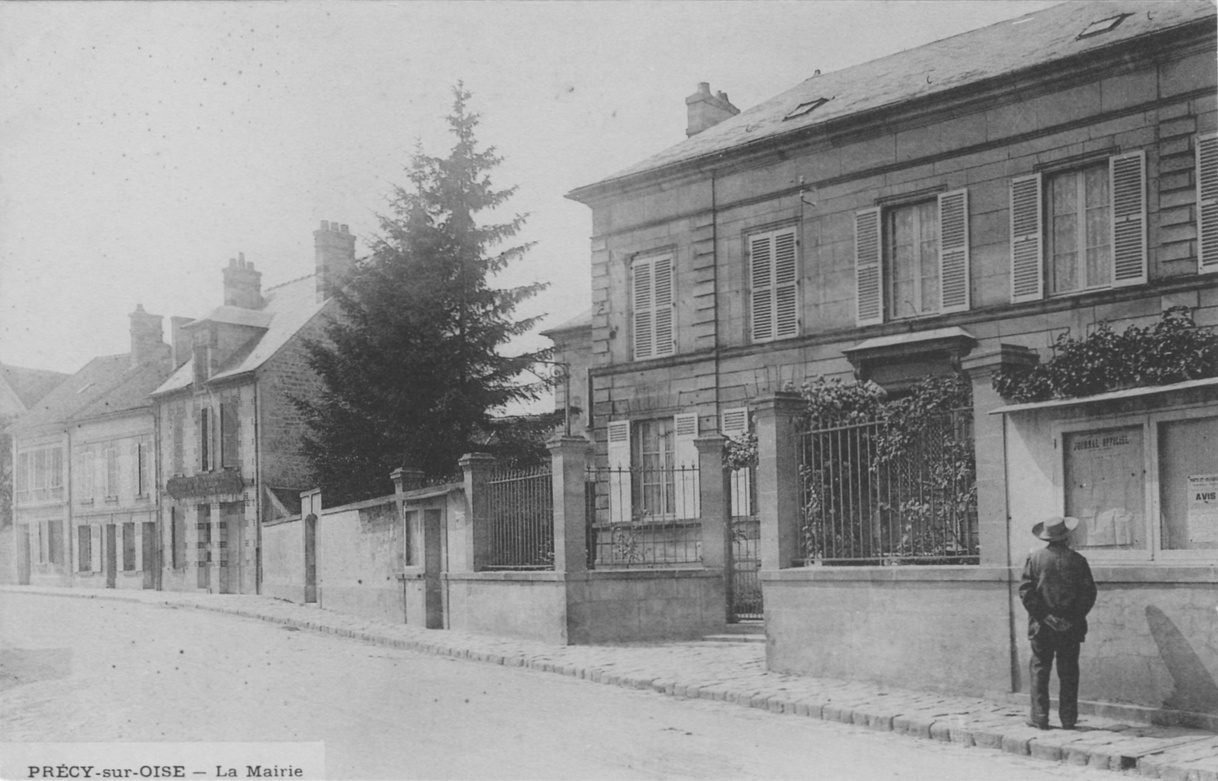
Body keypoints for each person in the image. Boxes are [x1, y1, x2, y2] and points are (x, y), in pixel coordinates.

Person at [1018, 516, 1097, 730]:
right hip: (1069, 629)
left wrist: (1045, 616)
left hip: (1042, 627)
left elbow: (1026, 592)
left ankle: (1039, 717)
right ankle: (1068, 719)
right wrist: (1070, 619)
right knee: (1069, 672)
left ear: (1047, 538)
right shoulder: (1078, 560)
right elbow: (1088, 594)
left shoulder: (1034, 560)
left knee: (1039, 670)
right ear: (1066, 536)